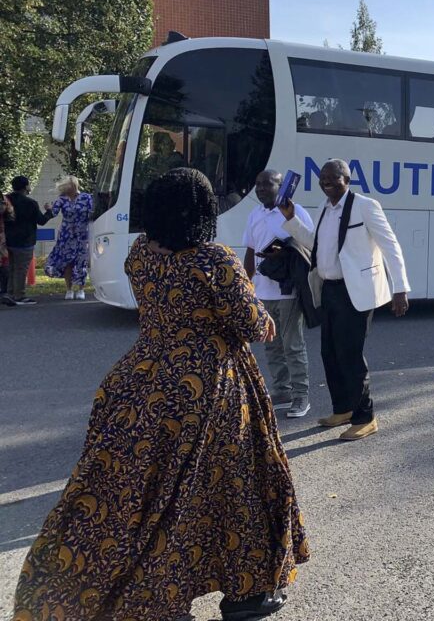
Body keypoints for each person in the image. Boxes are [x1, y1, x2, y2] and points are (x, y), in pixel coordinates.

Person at [13, 168, 308, 621]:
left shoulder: (139, 254)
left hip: (142, 383)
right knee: (234, 490)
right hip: (210, 391)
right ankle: (246, 595)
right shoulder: (213, 260)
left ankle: (141, 597)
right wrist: (262, 317)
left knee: (135, 497)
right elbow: (251, 324)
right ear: (203, 212)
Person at [278, 159, 410, 441]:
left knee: (350, 355)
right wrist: (291, 219)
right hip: (329, 289)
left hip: (356, 291)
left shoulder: (365, 206)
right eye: (323, 177)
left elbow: (390, 245)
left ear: (346, 179)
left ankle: (366, 417)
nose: (326, 181)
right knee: (330, 353)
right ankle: (343, 409)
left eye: (332, 177)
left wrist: (400, 288)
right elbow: (316, 244)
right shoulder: (324, 208)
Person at [244, 170, 315, 419]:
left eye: (267, 184)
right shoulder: (255, 214)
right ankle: (282, 392)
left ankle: (301, 397)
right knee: (272, 346)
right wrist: (246, 284)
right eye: (258, 184)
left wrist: (283, 254)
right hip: (263, 291)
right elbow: (251, 251)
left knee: (292, 345)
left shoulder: (295, 212)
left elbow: (310, 246)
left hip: (288, 290)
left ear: (281, 186)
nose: (261, 188)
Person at [3, 175, 54, 306]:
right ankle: (20, 296)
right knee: (21, 269)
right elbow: (41, 221)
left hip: (8, 240)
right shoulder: (30, 203)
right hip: (25, 241)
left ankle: (10, 293)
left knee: (12, 267)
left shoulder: (6, 200)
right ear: (26, 187)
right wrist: (49, 211)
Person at [44, 175, 93, 300]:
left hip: (82, 235)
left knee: (81, 262)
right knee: (67, 262)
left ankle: (81, 289)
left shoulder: (86, 197)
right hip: (66, 235)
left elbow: (93, 213)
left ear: (74, 185)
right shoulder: (62, 199)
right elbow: (54, 213)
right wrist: (48, 209)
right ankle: (69, 289)